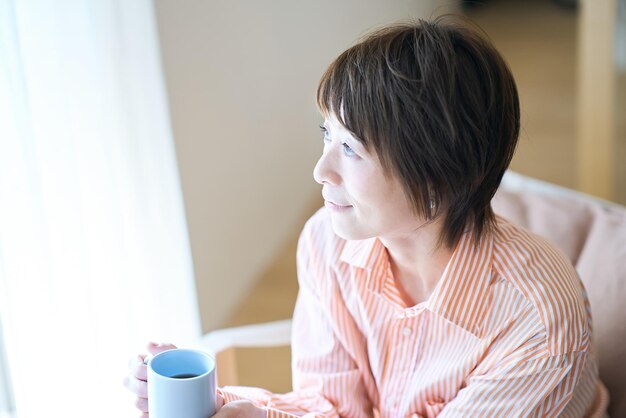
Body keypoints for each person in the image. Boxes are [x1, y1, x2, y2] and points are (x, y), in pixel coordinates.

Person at [124, 16, 608, 418]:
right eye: (326, 136)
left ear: (437, 175)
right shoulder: (328, 243)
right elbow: (331, 406)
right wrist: (222, 407)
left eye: (351, 150)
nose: (320, 171)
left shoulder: (538, 325)